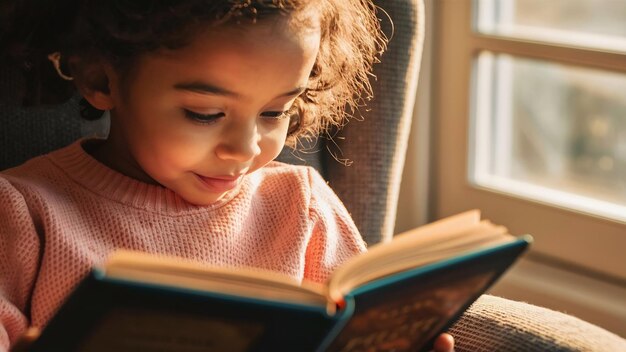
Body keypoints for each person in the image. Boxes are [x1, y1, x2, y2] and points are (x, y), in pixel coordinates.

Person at [0, 1, 454, 351]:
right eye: (206, 113)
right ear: (101, 79)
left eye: (276, 111)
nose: (246, 148)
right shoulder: (22, 212)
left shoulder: (302, 203)